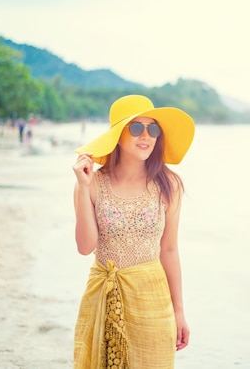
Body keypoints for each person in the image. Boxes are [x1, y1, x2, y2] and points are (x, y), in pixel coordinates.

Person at [72, 95, 195, 368]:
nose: (147, 136)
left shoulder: (169, 184)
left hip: (152, 297)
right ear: (118, 134)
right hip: (103, 292)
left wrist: (179, 310)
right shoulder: (93, 183)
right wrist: (82, 188)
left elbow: (170, 249)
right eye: (137, 128)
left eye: (153, 129)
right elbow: (85, 246)